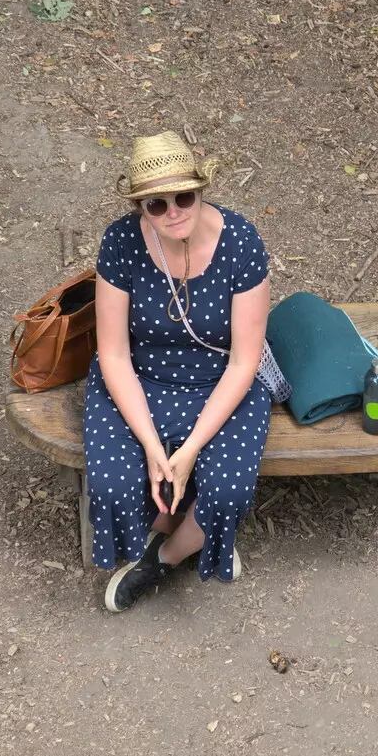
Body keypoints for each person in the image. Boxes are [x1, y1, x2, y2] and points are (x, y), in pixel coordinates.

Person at [84, 130, 273, 612]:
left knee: (228, 488)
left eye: (183, 197)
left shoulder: (241, 241)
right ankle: (184, 527)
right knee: (112, 481)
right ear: (140, 208)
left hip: (218, 382)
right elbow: (114, 354)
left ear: (201, 190)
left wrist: (188, 448)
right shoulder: (122, 241)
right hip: (139, 379)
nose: (173, 212)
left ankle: (161, 558)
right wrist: (151, 444)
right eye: (156, 204)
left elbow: (243, 361)